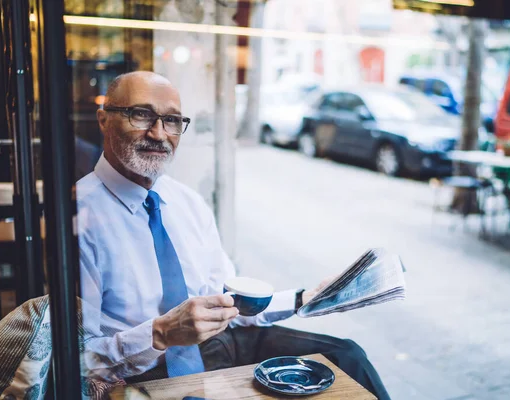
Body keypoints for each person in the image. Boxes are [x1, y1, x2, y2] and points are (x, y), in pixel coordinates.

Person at [77, 71, 390, 399]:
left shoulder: (187, 203)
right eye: (141, 115)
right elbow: (81, 357)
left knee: (346, 356)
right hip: (145, 368)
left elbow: (228, 300)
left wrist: (303, 298)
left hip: (219, 346)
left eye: (171, 120)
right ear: (103, 120)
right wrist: (160, 334)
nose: (158, 133)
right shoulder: (80, 217)